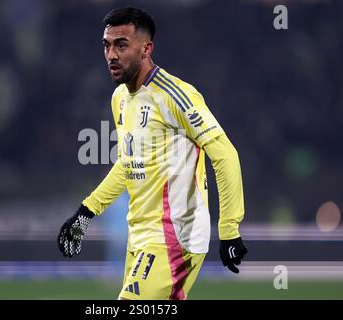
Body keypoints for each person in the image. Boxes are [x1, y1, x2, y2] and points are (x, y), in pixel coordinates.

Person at [58, 7, 247, 300]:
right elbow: (128, 162)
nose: (111, 55)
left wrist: (229, 228)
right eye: (107, 46)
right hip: (140, 236)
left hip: (174, 237)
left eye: (121, 45)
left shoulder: (175, 95)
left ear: (146, 48)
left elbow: (224, 154)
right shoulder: (120, 98)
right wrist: (86, 212)